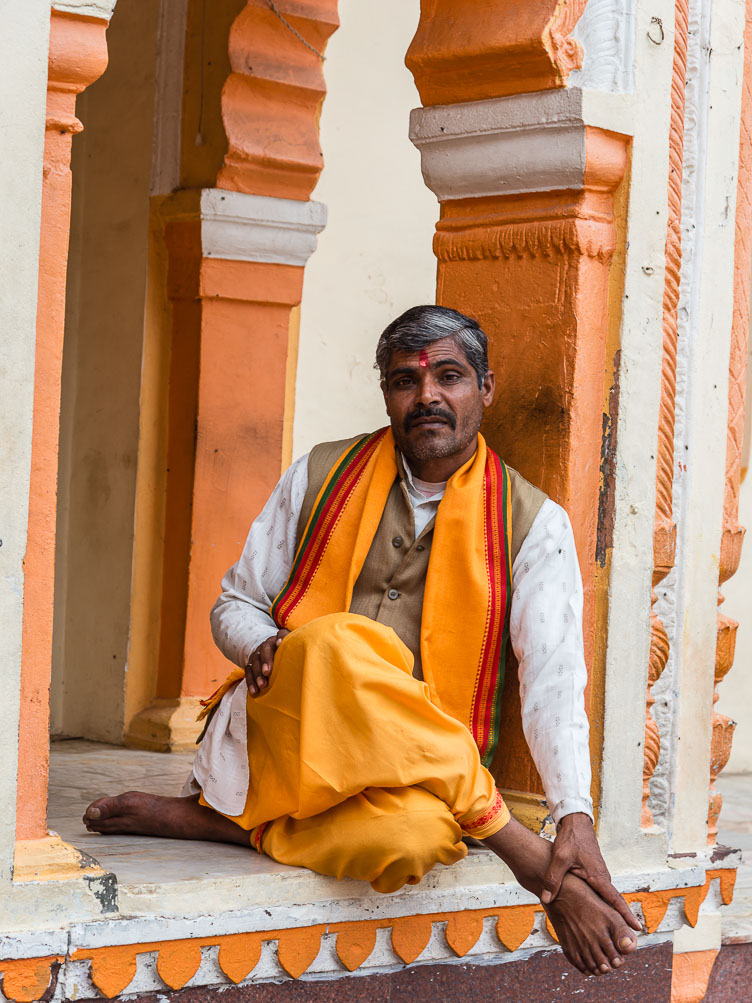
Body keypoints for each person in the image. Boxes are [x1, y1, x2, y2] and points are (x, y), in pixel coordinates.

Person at [84, 305, 640, 977]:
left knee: (417, 840)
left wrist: (573, 812)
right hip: (286, 727)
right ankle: (518, 848)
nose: (426, 395)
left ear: (485, 387)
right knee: (341, 644)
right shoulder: (322, 472)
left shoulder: (533, 524)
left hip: (401, 770)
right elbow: (235, 602)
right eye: (405, 380)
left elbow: (554, 678)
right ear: (386, 393)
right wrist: (263, 642)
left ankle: (226, 823)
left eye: (449, 376)